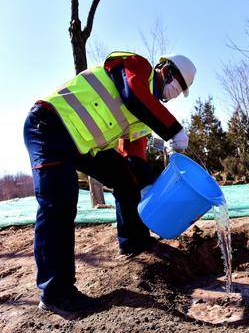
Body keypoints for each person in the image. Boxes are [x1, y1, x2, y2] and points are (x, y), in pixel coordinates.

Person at [23, 51, 196, 315]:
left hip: (82, 144)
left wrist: (147, 184)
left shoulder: (144, 113)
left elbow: (134, 155)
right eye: (178, 86)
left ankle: (134, 241)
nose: (174, 93)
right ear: (166, 71)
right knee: (59, 203)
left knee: (124, 175)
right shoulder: (138, 67)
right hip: (50, 125)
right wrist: (172, 129)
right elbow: (132, 94)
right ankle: (56, 294)